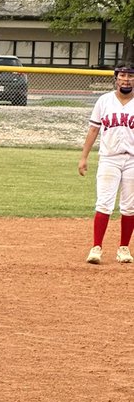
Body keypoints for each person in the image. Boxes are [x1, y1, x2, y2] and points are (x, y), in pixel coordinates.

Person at [78, 64, 134, 265]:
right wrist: (84, 157)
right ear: (116, 79)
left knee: (129, 206)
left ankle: (124, 249)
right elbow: (93, 130)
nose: (126, 80)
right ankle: (96, 247)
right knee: (104, 203)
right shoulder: (104, 101)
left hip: (132, 160)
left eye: (130, 76)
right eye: (122, 76)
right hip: (109, 158)